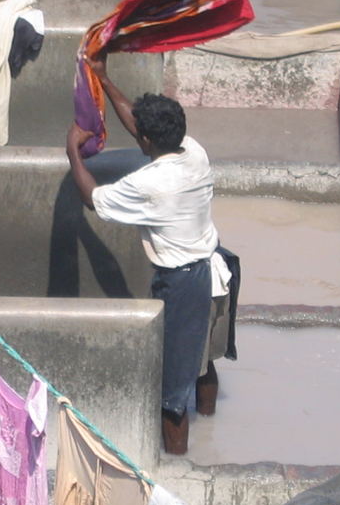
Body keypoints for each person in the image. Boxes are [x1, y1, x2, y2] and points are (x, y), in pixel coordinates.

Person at [65, 54, 230, 455]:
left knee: (171, 391)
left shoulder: (151, 184)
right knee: (206, 360)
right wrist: (103, 79)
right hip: (217, 268)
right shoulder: (193, 151)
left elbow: (93, 200)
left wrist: (73, 150)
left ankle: (177, 467)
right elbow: (139, 124)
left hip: (184, 283)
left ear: (146, 143)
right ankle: (212, 430)